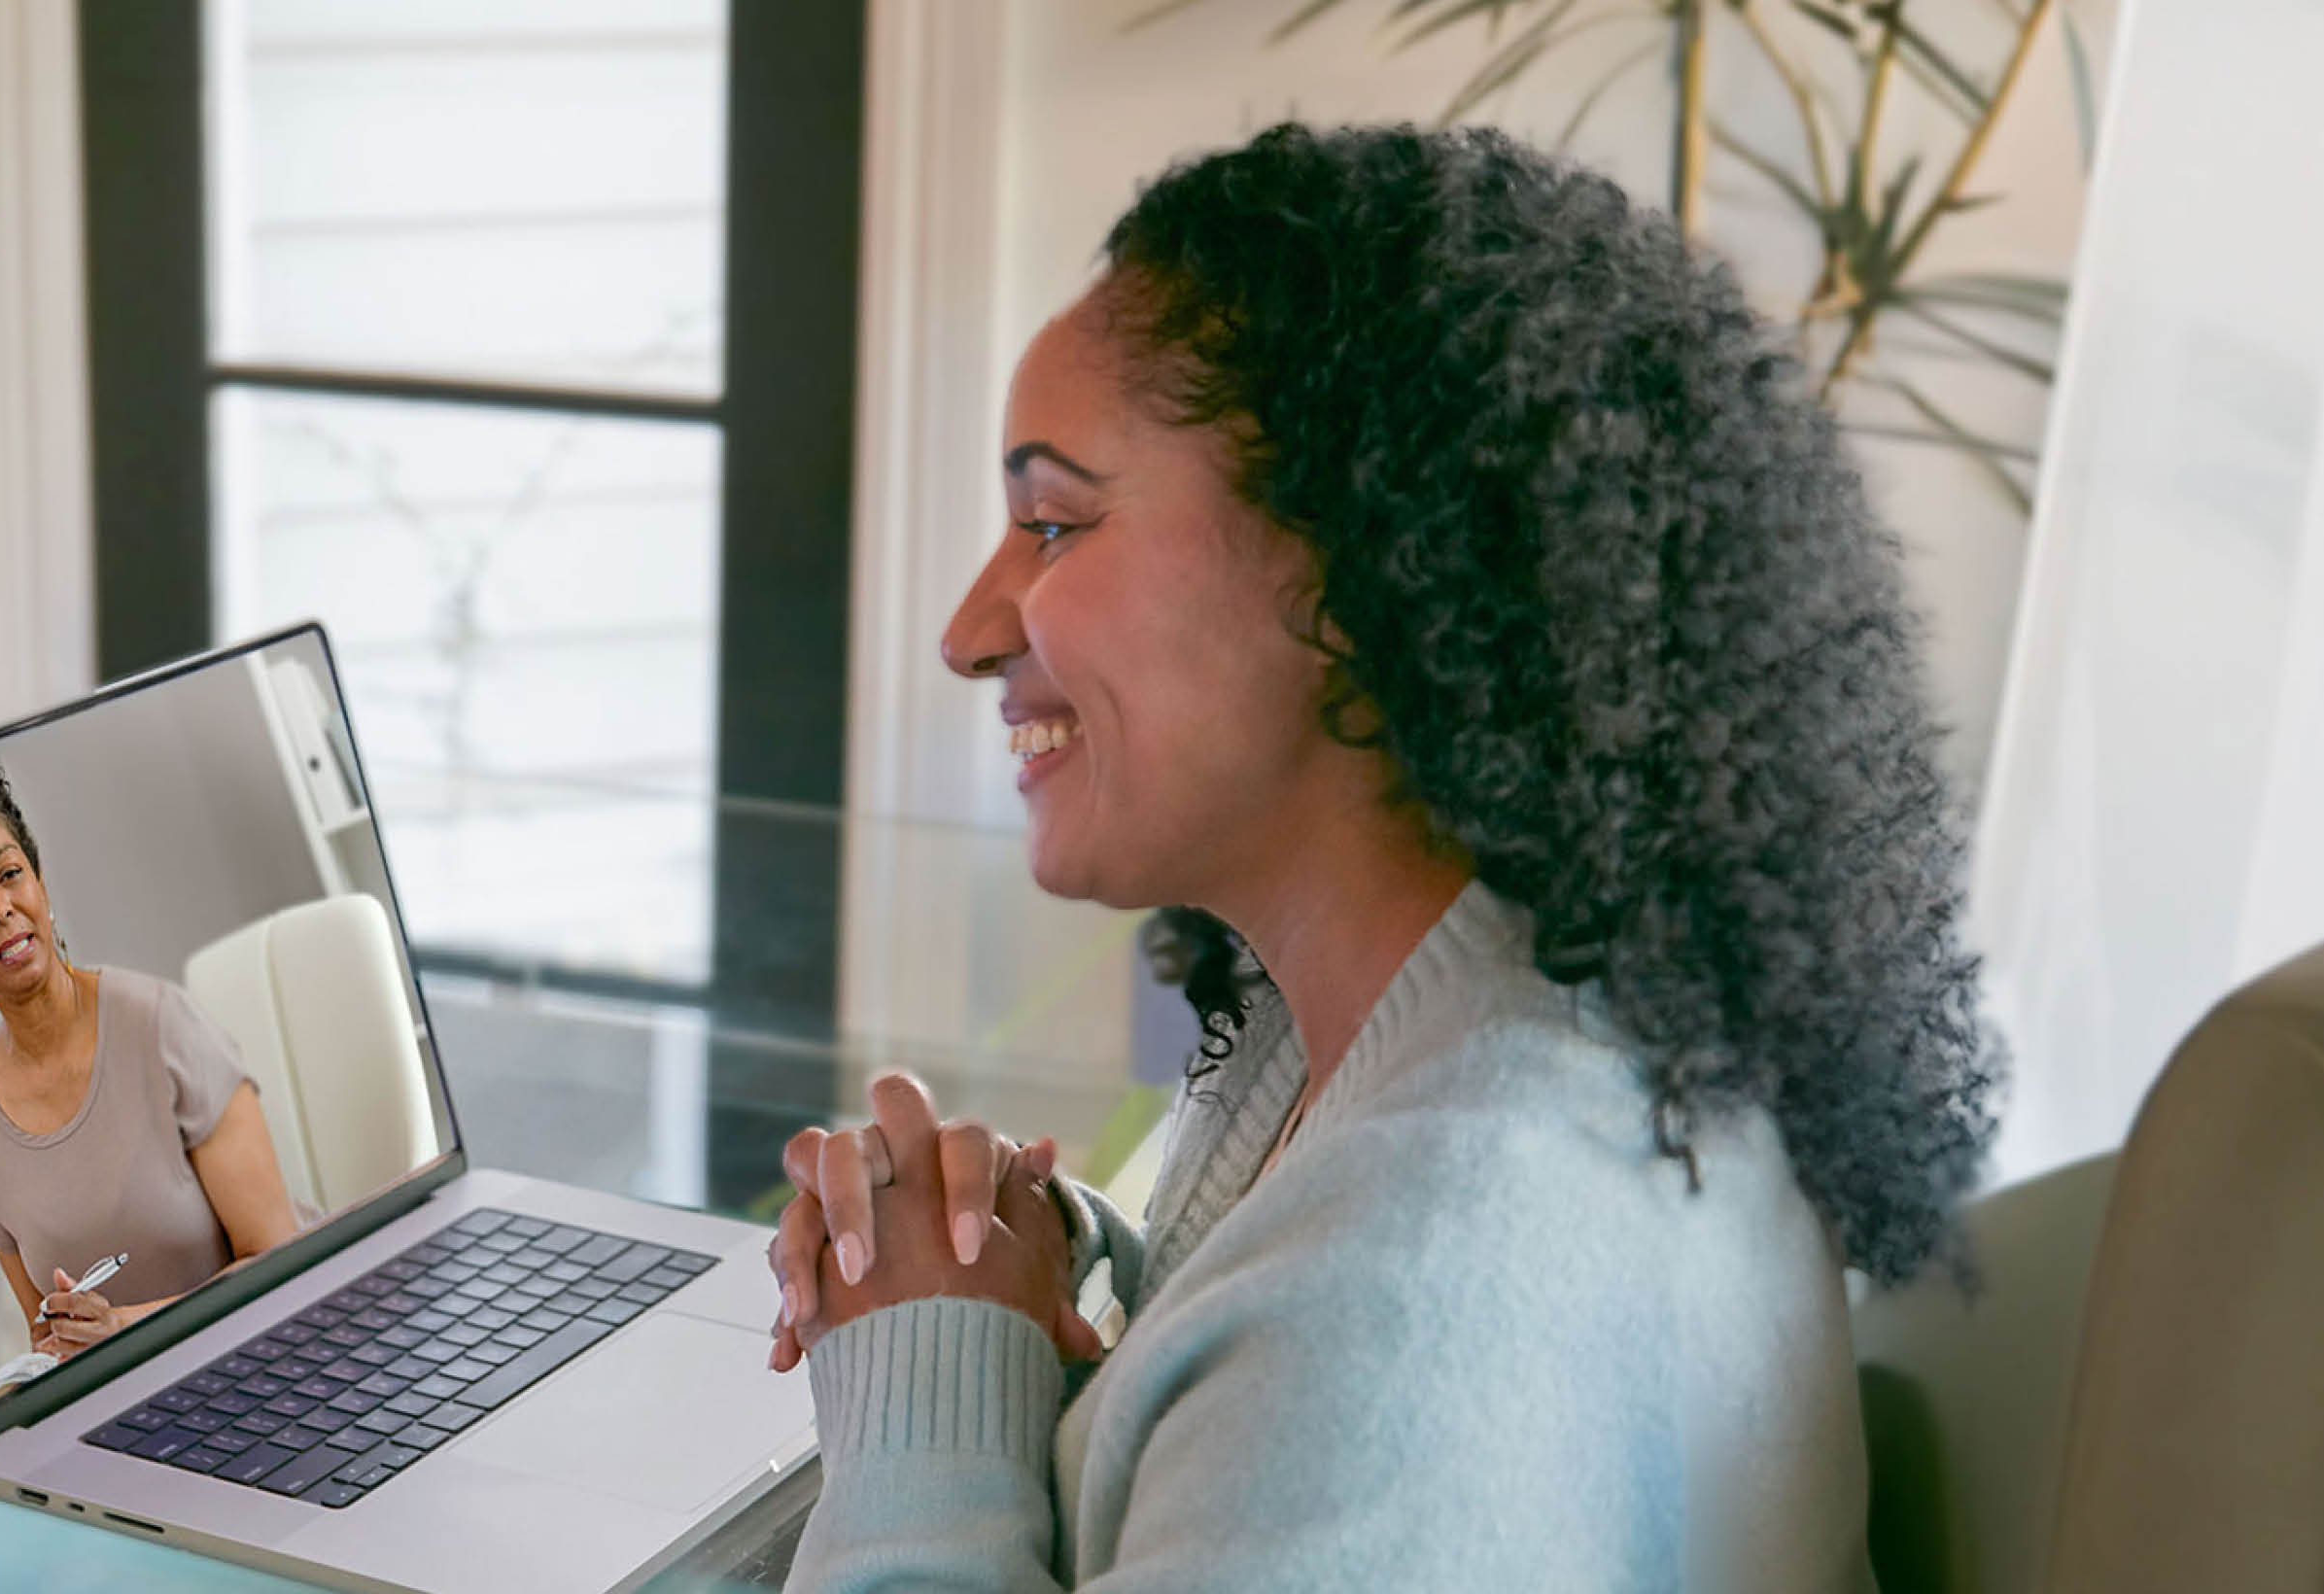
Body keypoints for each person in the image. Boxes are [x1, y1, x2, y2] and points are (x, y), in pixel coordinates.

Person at [762, 123, 2001, 1591]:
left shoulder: (1415, 1306)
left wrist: (919, 1389)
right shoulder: (1509, 1025)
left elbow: (1352, 1385)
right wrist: (1040, 1280)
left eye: (1052, 523)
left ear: (1357, 568)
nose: (972, 632)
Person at [0, 749, 302, 1362]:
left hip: (279, 1359)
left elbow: (281, 1266)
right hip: (137, 1415)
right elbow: (46, 1345)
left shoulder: (162, 1026)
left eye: (9, 874)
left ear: (41, 885)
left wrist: (128, 1331)